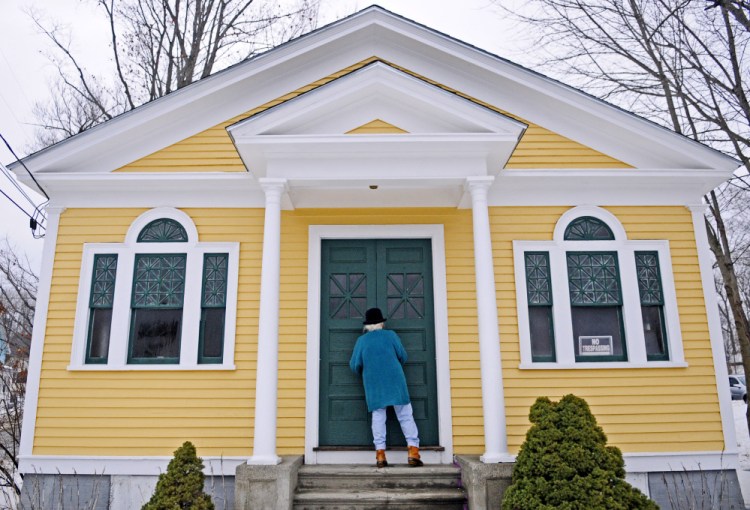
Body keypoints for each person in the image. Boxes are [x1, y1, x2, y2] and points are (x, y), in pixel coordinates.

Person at [349, 307, 423, 468]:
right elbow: (403, 355)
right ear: (381, 323)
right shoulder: (391, 335)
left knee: (378, 417)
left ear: (367, 326)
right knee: (405, 415)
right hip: (395, 380)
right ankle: (413, 452)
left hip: (374, 383)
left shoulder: (361, 341)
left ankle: (380, 454)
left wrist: (369, 369)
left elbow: (354, 365)